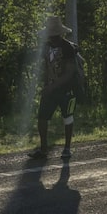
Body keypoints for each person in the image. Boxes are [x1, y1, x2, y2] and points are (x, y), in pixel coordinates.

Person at [29, 16, 78, 160]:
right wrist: (46, 85)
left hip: (66, 89)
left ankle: (67, 148)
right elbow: (46, 66)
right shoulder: (46, 46)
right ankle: (43, 149)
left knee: (67, 117)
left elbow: (70, 73)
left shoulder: (68, 48)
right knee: (42, 118)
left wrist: (53, 86)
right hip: (49, 88)